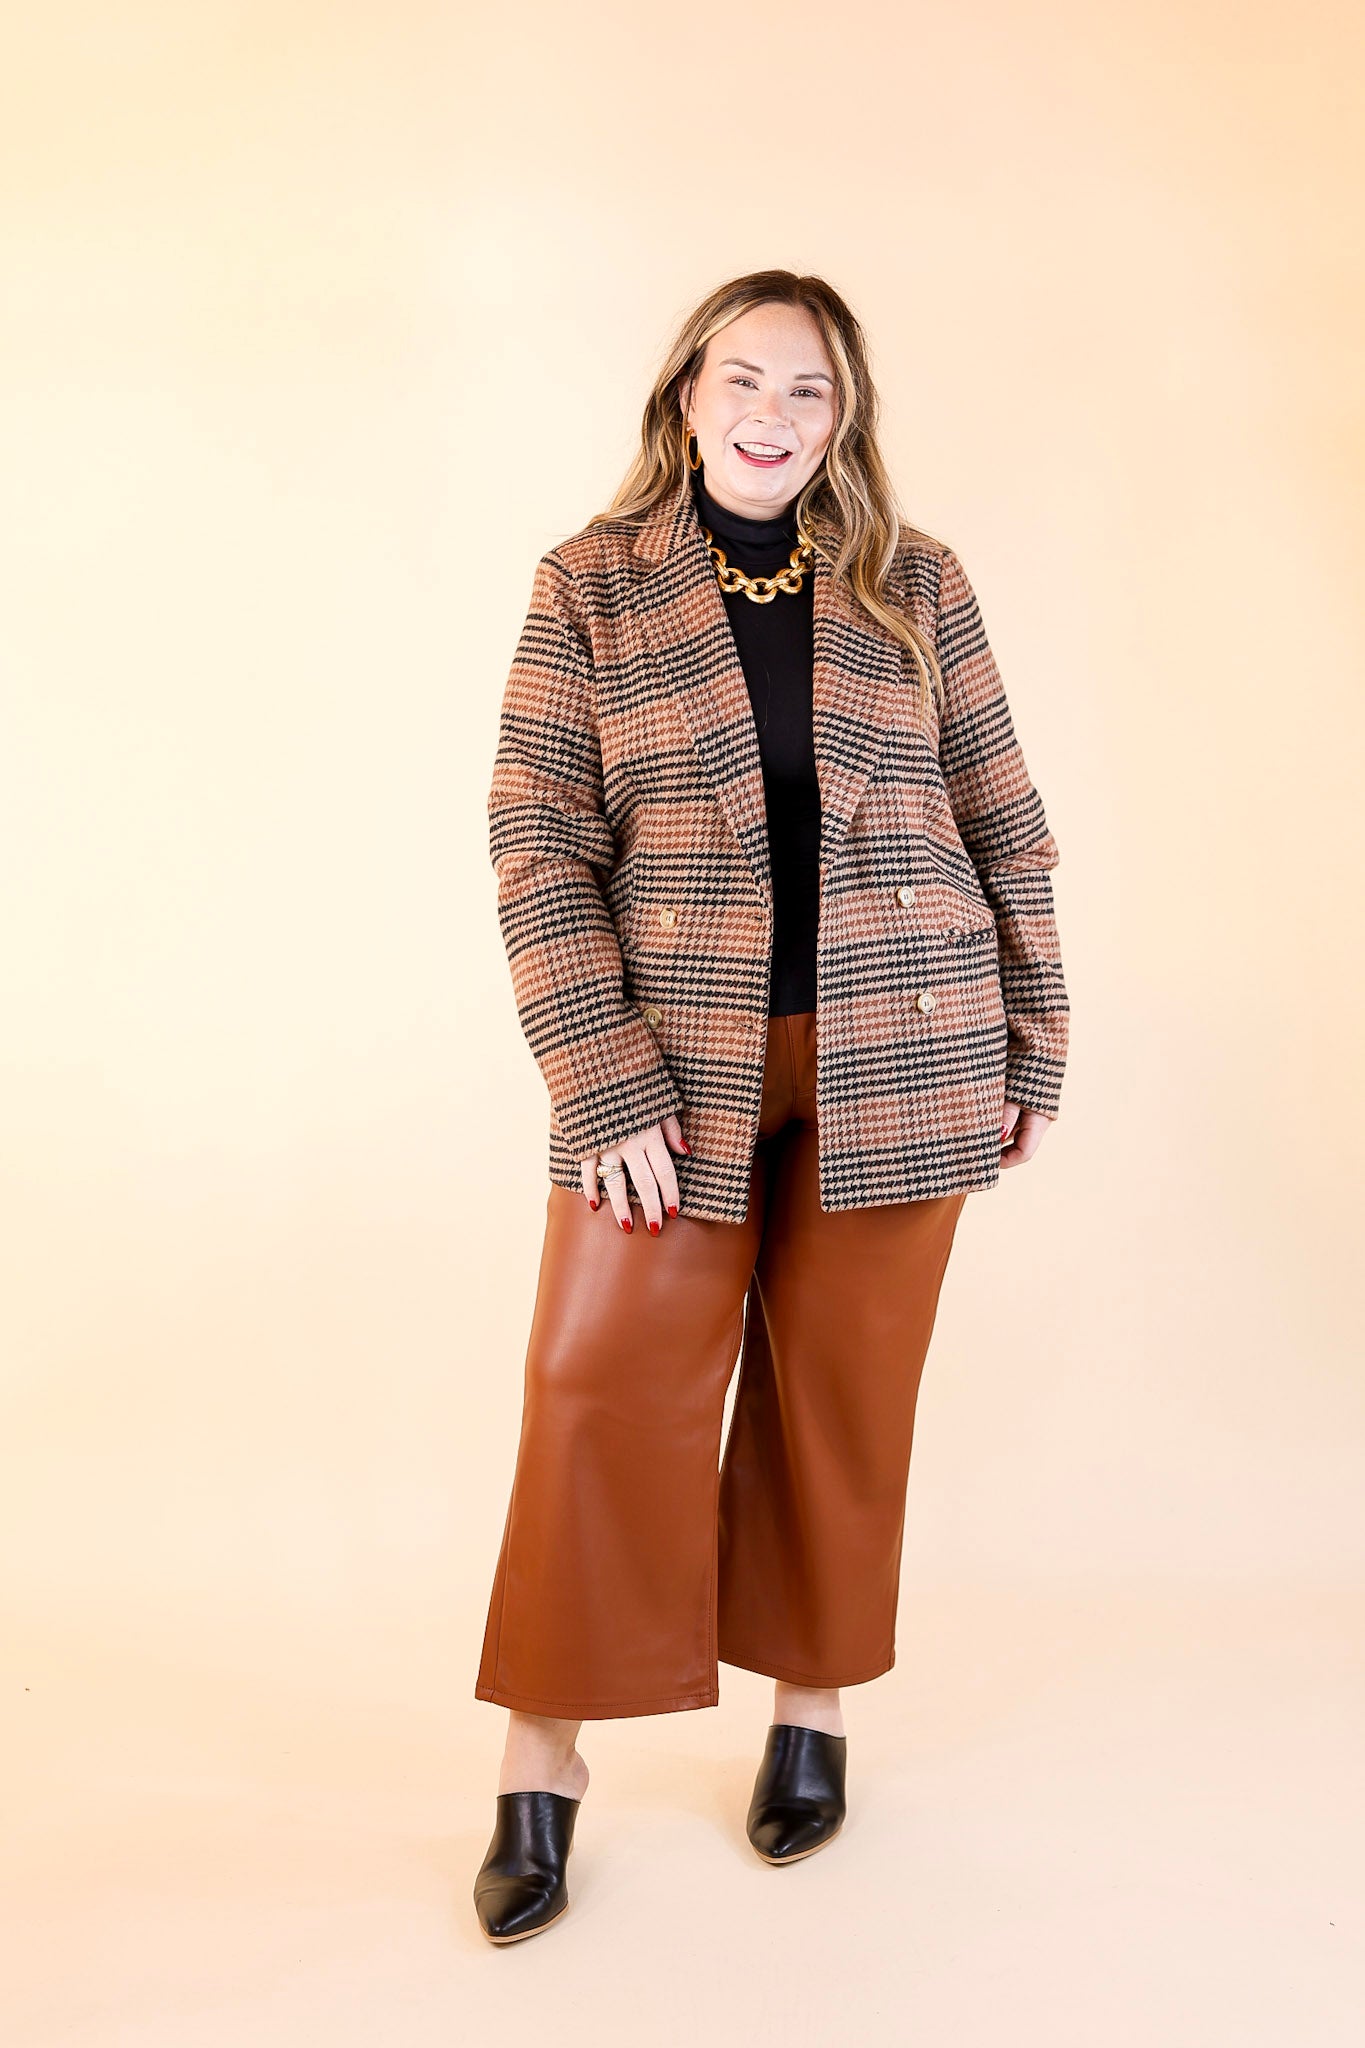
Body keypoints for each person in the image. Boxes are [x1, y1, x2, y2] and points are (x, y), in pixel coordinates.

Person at [471, 269, 1070, 1943]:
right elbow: (537, 840)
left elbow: (1003, 817)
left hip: (908, 1045)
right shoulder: (590, 585)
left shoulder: (915, 583)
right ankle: (539, 1766)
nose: (772, 414)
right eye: (742, 379)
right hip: (669, 1067)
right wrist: (598, 1073)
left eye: (809, 390)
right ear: (686, 397)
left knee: (840, 1401)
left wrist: (1032, 1039)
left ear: (842, 418)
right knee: (596, 1392)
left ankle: (811, 1714)